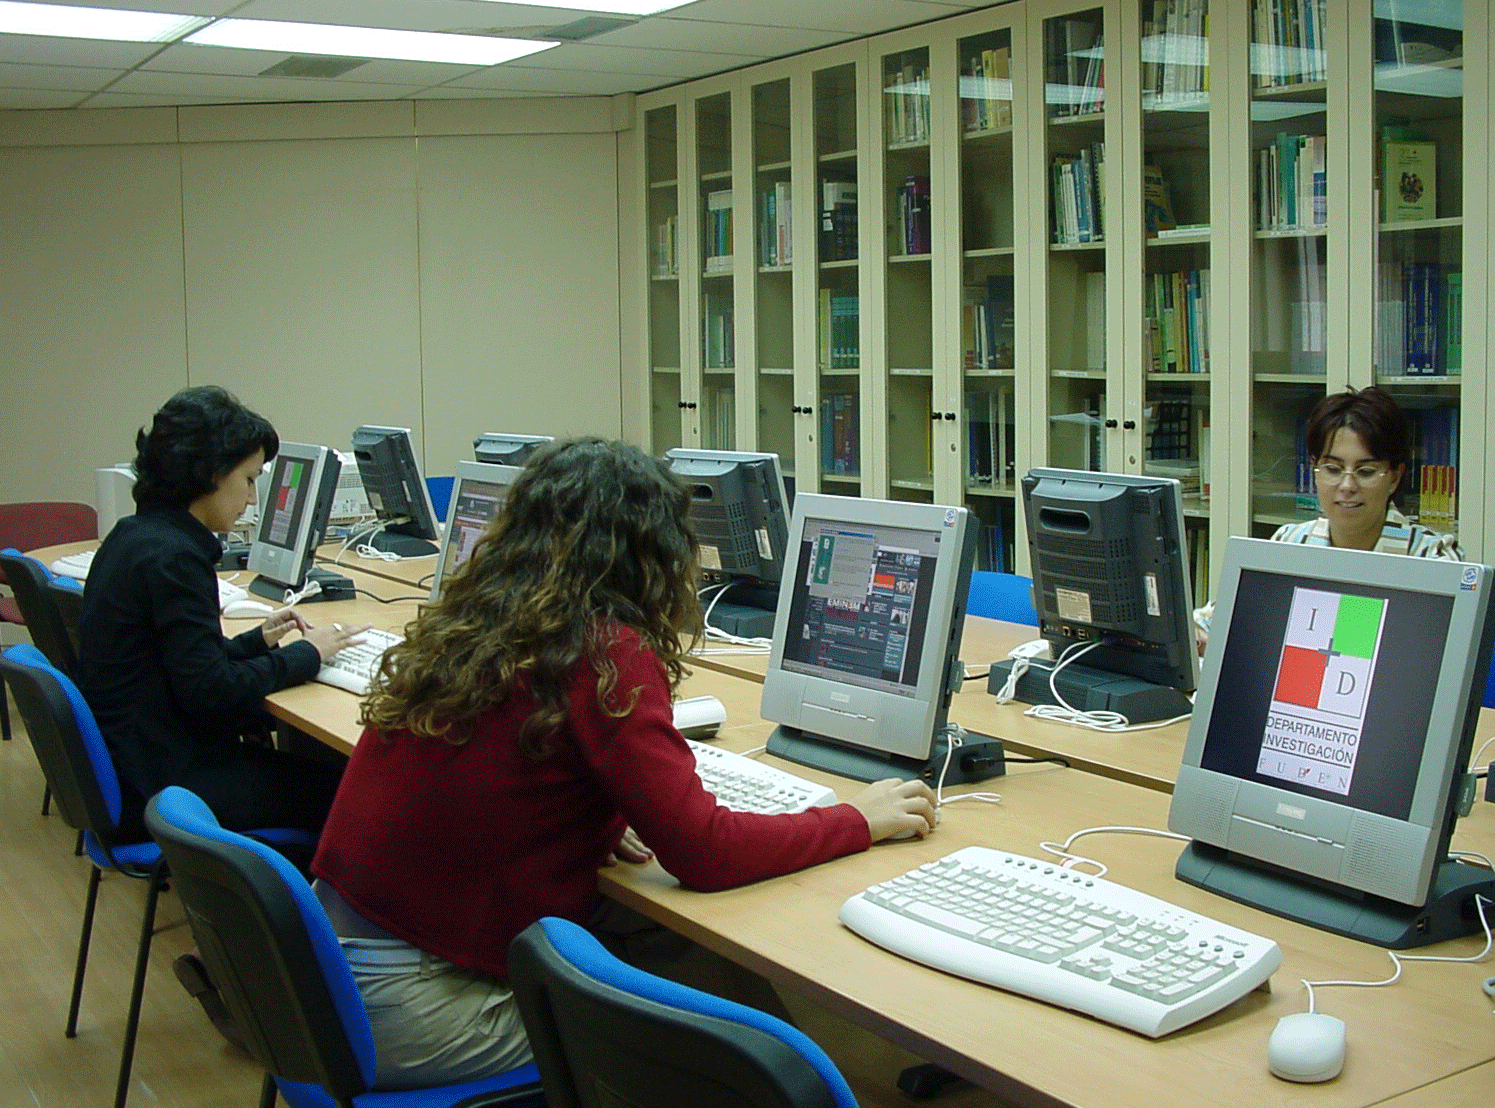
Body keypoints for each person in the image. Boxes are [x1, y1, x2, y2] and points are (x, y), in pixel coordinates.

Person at [310, 437, 938, 1091]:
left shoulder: (478, 622)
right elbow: (705, 855)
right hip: (415, 1007)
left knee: (666, 938)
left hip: (333, 967)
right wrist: (855, 819)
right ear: (653, 552)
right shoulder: (603, 651)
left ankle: (792, 1080)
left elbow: (514, 777)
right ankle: (786, 1085)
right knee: (704, 1046)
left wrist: (600, 817)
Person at [76, 385, 371, 840]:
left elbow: (181, 665)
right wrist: (306, 655)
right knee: (353, 792)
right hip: (167, 785)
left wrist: (256, 642)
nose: (252, 499)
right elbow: (210, 693)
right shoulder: (173, 559)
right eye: (250, 480)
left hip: (141, 763)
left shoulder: (136, 536)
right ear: (212, 473)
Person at [1193, 385, 1463, 651]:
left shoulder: (1433, 558)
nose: (1347, 486)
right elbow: (1210, 623)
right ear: (1314, 470)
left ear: (1395, 477)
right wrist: (1197, 637)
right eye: (1332, 469)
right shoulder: (1291, 542)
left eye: (1366, 471)